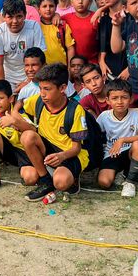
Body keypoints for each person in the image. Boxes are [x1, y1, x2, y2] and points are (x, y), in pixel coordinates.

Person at [12, 63, 90, 201]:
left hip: (69, 153)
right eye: (40, 88)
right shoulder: (39, 101)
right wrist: (15, 112)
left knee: (61, 183)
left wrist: (61, 156)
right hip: (47, 148)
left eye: (47, 89)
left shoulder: (75, 110)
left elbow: (76, 148)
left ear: (62, 88)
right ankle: (45, 180)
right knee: (27, 136)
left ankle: (71, 177)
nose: (42, 93)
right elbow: (21, 102)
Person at [96, 79, 138, 197]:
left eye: (124, 97)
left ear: (131, 99)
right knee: (104, 182)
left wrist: (122, 140)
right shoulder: (104, 116)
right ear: (107, 100)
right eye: (115, 98)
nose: (120, 102)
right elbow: (94, 135)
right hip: (112, 153)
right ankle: (121, 173)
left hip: (132, 153)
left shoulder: (137, 113)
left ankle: (130, 182)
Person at [0, 0, 46, 92]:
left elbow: (39, 60)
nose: (15, 21)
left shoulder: (34, 27)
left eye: (19, 16)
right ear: (3, 16)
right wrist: (3, 89)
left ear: (25, 15)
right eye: (10, 17)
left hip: (33, 77)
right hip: (8, 78)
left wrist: (28, 82)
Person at [95, 0, 127, 79]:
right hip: (110, 71)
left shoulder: (131, 17)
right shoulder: (103, 20)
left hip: (131, 69)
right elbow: (101, 46)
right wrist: (101, 62)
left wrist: (130, 69)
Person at [62, 0, 98, 64]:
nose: (80, 1)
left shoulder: (96, 18)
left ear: (90, 1)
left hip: (92, 63)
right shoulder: (65, 18)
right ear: (72, 2)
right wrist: (56, 15)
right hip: (73, 64)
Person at [37, 0, 75, 65]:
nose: (48, 9)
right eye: (44, 6)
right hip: (42, 68)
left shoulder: (63, 26)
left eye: (51, 6)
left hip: (61, 67)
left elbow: (70, 48)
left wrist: (70, 67)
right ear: (39, 9)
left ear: (56, 7)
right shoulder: (36, 26)